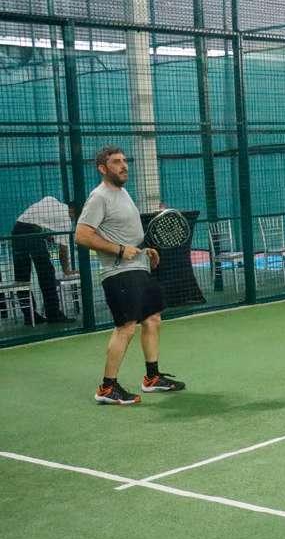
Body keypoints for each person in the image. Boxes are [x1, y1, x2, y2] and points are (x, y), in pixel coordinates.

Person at [74, 146, 185, 405]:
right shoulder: (99, 197)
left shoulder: (122, 193)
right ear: (103, 168)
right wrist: (120, 250)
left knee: (153, 319)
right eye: (116, 162)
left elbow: (124, 233)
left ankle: (152, 377)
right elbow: (82, 235)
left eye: (124, 161)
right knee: (125, 327)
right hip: (119, 273)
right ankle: (107, 388)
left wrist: (145, 250)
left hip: (138, 267)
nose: (124, 165)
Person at [9, 196, 77, 325]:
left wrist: (44, 235)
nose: (75, 220)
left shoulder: (51, 200)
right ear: (73, 210)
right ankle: (53, 314)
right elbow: (63, 250)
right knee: (47, 274)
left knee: (22, 279)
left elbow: (36, 220)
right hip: (31, 233)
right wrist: (66, 270)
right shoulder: (66, 219)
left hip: (17, 230)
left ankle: (30, 316)